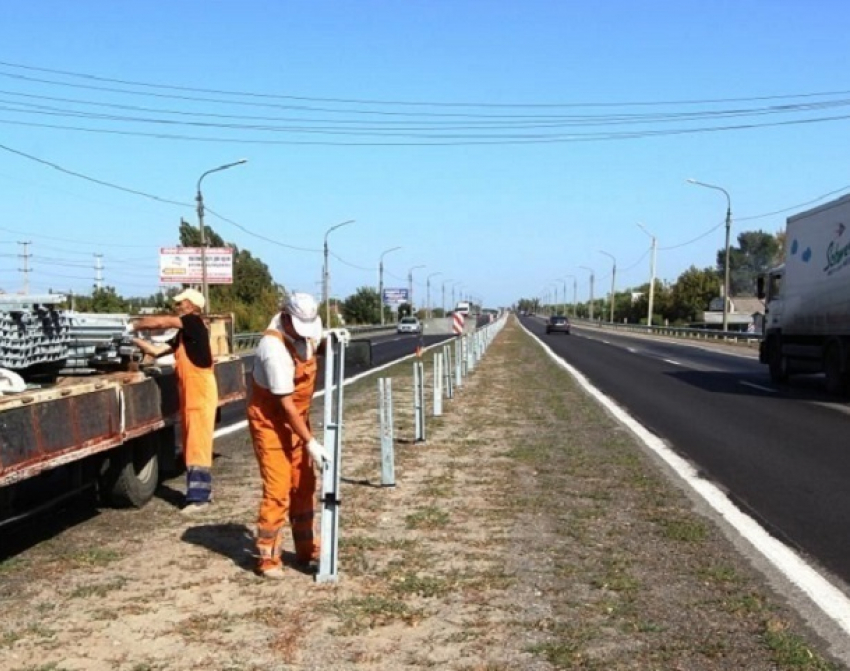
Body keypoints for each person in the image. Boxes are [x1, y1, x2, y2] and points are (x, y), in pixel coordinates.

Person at [246, 292, 333, 579]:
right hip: (271, 423)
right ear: (286, 317)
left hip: (298, 420)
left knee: (304, 484)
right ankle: (268, 558)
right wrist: (310, 442)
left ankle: (309, 549)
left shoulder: (307, 328)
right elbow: (285, 405)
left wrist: (334, 341)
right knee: (279, 487)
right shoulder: (273, 349)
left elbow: (317, 344)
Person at [129, 288, 219, 513]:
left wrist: (136, 324)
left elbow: (163, 322)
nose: (177, 306)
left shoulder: (193, 321)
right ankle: (202, 492)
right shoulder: (183, 335)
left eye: (181, 303)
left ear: (191, 306)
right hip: (191, 394)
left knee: (197, 445)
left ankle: (199, 498)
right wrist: (134, 341)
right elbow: (157, 351)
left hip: (200, 393)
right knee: (192, 444)